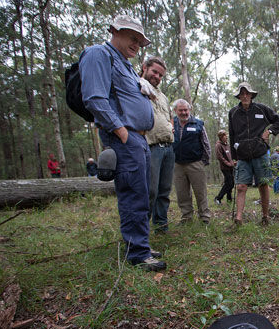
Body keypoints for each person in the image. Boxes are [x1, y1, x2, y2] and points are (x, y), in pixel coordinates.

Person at [80, 14, 165, 271]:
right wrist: (122, 132)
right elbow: (95, 98)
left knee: (143, 193)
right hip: (124, 138)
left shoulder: (126, 66)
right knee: (132, 193)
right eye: (133, 37)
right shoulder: (98, 55)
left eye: (140, 40)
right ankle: (138, 255)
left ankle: (140, 244)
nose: (137, 44)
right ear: (115, 30)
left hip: (139, 139)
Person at [228, 82, 279, 226]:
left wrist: (269, 131)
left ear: (252, 95)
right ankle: (238, 219)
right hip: (242, 155)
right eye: (242, 93)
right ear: (239, 96)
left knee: (263, 184)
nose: (245, 96)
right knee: (241, 186)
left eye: (247, 93)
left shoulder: (261, 109)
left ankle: (265, 217)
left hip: (260, 152)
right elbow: (232, 134)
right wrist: (234, 157)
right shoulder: (233, 113)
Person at [140, 56, 174, 232]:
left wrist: (170, 128)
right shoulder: (137, 85)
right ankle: (141, 229)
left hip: (168, 147)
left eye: (161, 75)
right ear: (144, 67)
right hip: (150, 146)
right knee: (150, 191)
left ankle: (161, 224)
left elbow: (169, 117)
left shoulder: (162, 96)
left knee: (164, 190)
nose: (157, 77)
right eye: (154, 72)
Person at [172, 99, 211, 224]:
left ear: (190, 110)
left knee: (200, 192)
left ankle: (204, 217)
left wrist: (203, 161)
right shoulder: (171, 123)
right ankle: (186, 217)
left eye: (185, 110)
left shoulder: (198, 123)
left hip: (195, 163)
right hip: (177, 164)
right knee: (182, 194)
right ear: (175, 111)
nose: (183, 112)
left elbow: (206, 143)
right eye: (180, 110)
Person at [215, 130, 234, 205]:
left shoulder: (227, 145)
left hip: (231, 167)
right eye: (224, 135)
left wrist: (233, 162)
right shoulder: (218, 145)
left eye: (226, 135)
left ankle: (229, 199)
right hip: (225, 168)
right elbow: (220, 157)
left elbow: (230, 155)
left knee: (231, 183)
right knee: (228, 183)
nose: (226, 137)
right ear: (221, 137)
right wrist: (228, 164)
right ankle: (218, 198)